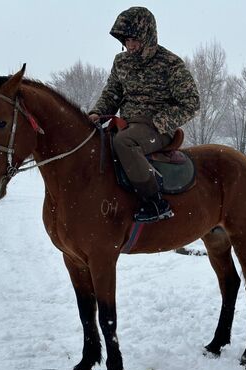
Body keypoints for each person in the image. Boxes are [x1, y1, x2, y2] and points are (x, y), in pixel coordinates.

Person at [89, 6, 200, 222]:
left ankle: (154, 202)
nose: (130, 45)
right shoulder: (121, 62)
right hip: (126, 123)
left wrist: (160, 121)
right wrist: (97, 112)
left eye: (135, 40)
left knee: (124, 143)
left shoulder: (170, 63)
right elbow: (112, 92)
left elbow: (191, 102)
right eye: (126, 40)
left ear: (147, 36)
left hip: (157, 128)